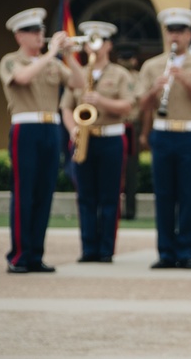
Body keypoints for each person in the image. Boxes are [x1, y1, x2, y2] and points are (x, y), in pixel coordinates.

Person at [0, 8, 84, 274]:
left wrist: (69, 55)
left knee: (44, 194)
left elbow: (80, 83)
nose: (39, 36)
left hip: (50, 129)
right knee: (25, 194)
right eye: (33, 32)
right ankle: (19, 255)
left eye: (41, 31)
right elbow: (22, 78)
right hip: (26, 128)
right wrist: (50, 54)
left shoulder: (54, 63)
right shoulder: (11, 61)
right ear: (19, 36)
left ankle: (36, 254)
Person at [137, 8, 191, 270]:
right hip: (162, 132)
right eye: (171, 31)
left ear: (189, 34)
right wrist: (155, 89)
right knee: (163, 195)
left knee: (188, 195)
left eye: (181, 31)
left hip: (190, 132)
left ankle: (186, 253)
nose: (175, 36)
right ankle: (165, 252)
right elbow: (140, 104)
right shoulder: (152, 65)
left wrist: (185, 81)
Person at [61, 21, 135, 264]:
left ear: (109, 45)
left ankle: (106, 249)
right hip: (84, 139)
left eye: (100, 41)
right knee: (85, 196)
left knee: (109, 196)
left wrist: (101, 101)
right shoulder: (77, 73)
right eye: (91, 40)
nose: (95, 46)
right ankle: (88, 248)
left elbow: (127, 107)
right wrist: (73, 130)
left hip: (111, 137)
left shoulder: (120, 74)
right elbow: (66, 107)